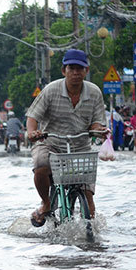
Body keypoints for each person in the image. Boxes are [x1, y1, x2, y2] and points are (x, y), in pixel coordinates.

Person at [26, 49, 107, 227]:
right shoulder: (51, 90)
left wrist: (99, 129)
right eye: (72, 68)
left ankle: (92, 232)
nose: (76, 73)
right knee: (40, 166)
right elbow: (33, 117)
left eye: (80, 68)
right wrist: (32, 132)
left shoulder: (94, 92)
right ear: (64, 70)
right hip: (50, 143)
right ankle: (46, 203)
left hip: (80, 146)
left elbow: (96, 122)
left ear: (86, 71)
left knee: (87, 195)